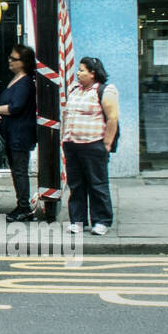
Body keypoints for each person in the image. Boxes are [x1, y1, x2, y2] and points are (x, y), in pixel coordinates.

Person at [62, 56, 118, 235]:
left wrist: (107, 144)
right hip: (72, 144)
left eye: (82, 70)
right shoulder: (74, 90)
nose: (78, 73)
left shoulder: (105, 90)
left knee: (97, 184)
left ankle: (101, 221)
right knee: (76, 185)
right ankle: (77, 220)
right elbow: (66, 115)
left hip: (93, 145)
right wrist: (64, 138)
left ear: (92, 73)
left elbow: (113, 118)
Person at [0, 44, 37, 222]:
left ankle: (24, 207)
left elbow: (16, 107)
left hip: (20, 134)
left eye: (14, 59)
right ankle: (21, 205)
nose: (9, 60)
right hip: (12, 134)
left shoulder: (25, 83)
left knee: (20, 171)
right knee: (16, 171)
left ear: (24, 62)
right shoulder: (17, 79)